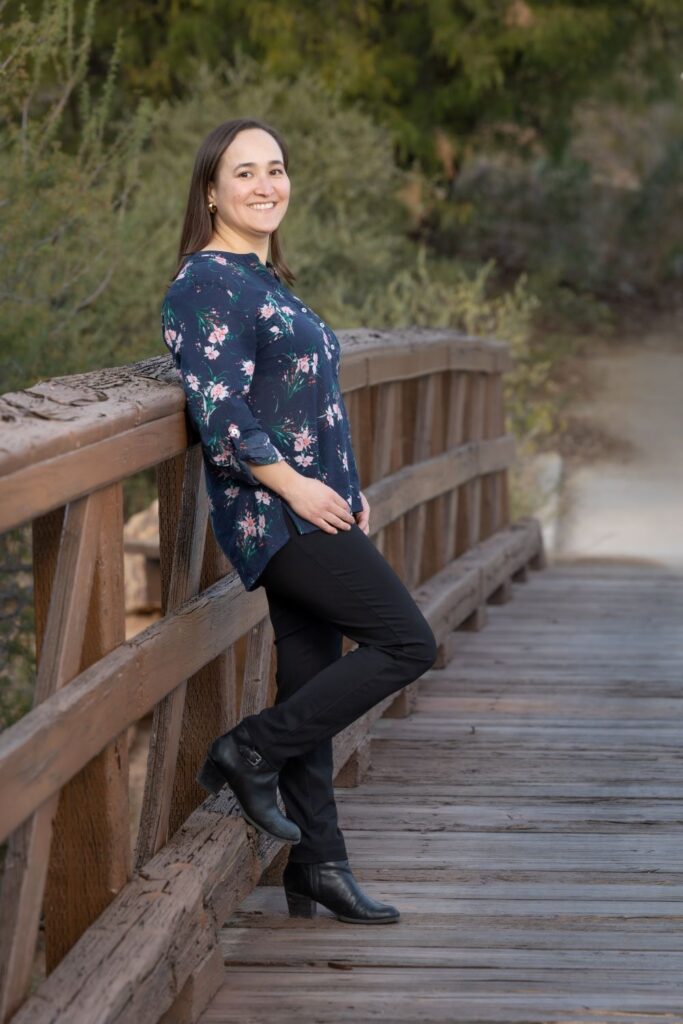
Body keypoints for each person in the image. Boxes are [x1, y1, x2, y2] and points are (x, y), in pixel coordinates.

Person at [160, 117, 437, 924]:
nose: (265, 185)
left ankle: (318, 862)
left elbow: (303, 400)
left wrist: (344, 486)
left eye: (275, 169)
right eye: (243, 172)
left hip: (314, 506)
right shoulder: (205, 284)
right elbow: (223, 412)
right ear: (210, 192)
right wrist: (297, 490)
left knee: (313, 680)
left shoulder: (264, 279)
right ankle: (248, 749)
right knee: (406, 642)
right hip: (276, 517)